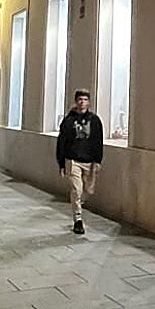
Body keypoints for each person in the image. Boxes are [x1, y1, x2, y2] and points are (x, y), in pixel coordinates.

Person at [56, 89, 104, 235]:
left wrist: (98, 160)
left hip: (89, 161)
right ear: (76, 102)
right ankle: (78, 219)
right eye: (80, 100)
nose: (82, 102)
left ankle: (78, 205)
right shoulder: (68, 121)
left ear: (88, 102)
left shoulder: (94, 120)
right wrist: (62, 163)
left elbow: (98, 141)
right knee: (77, 189)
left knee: (88, 190)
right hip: (73, 160)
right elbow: (61, 142)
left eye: (85, 100)